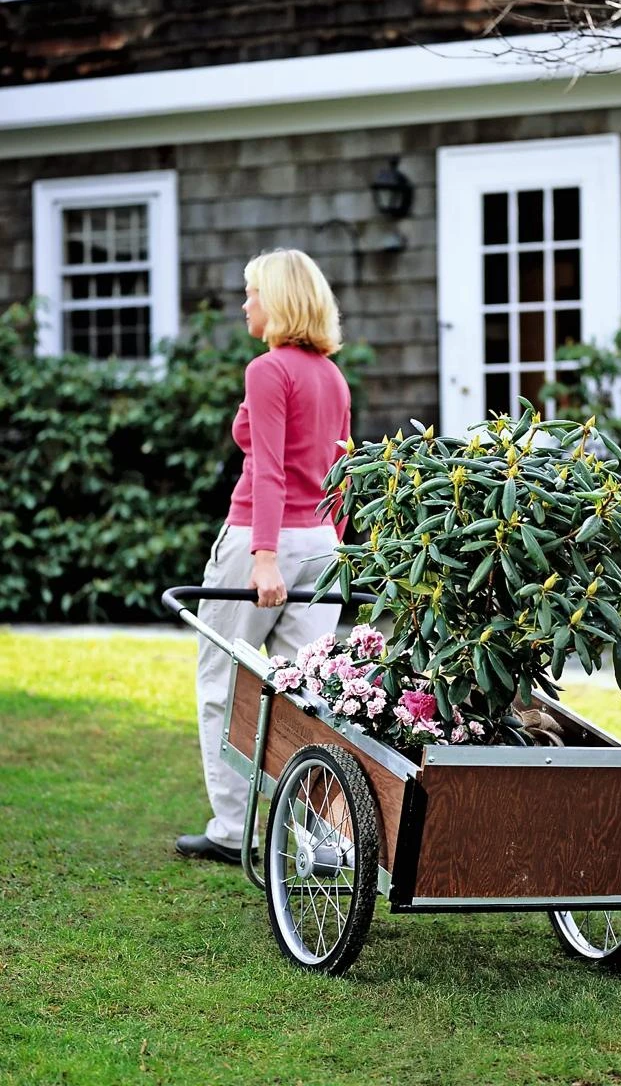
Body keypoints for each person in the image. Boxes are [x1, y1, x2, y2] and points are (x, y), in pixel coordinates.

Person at [176, 248, 350, 865]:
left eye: (251, 293)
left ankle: (233, 831)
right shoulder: (332, 376)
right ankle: (319, 838)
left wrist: (266, 556)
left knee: (223, 683)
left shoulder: (268, 370)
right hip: (322, 546)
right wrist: (335, 545)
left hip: (264, 539)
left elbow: (270, 470)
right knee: (306, 697)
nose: (244, 304)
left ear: (276, 299)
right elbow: (342, 472)